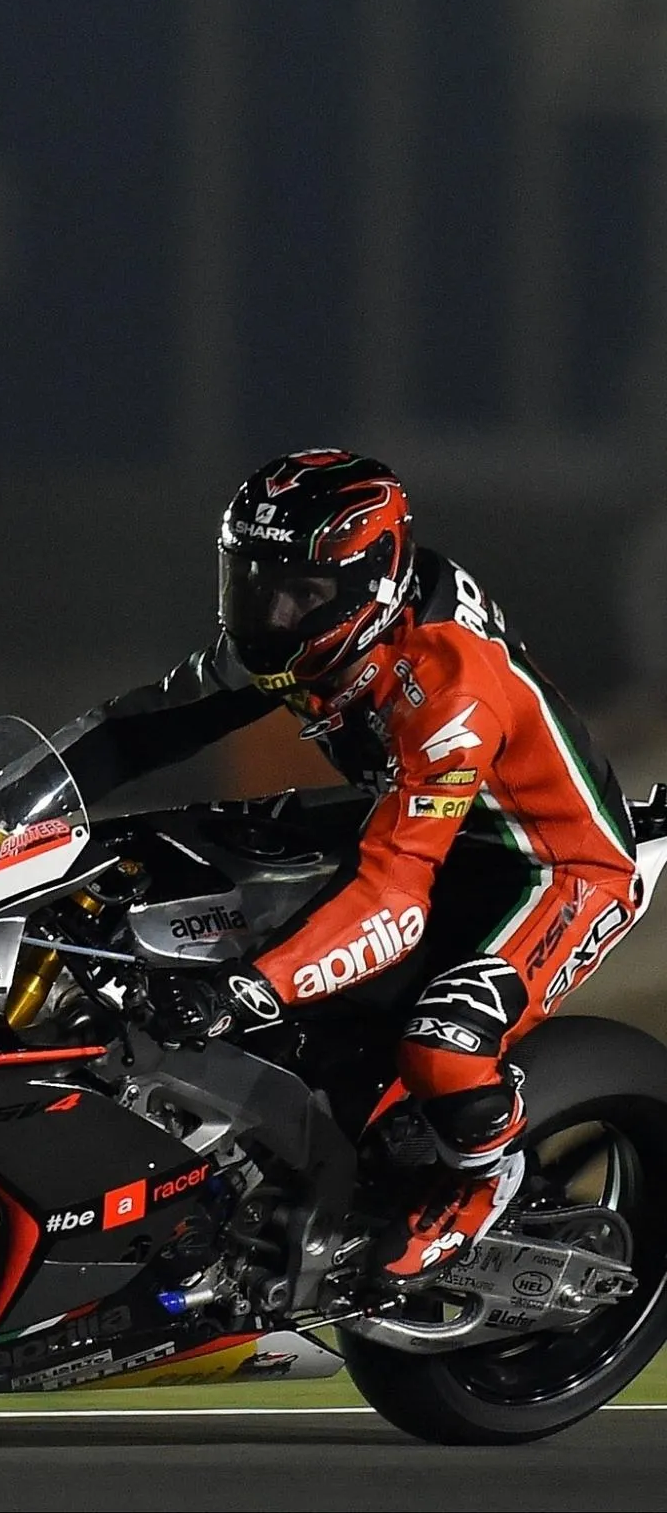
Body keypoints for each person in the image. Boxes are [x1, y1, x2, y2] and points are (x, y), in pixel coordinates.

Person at [57, 448, 640, 1281]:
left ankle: (478, 1188)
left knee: (445, 1042)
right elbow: (142, 727)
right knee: (178, 853)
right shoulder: (323, 626)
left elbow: (393, 899)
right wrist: (9, 801)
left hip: (549, 866)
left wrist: (243, 989)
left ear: (373, 582)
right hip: (421, 817)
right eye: (253, 580)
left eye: (301, 592)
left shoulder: (449, 688)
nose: (272, 611)